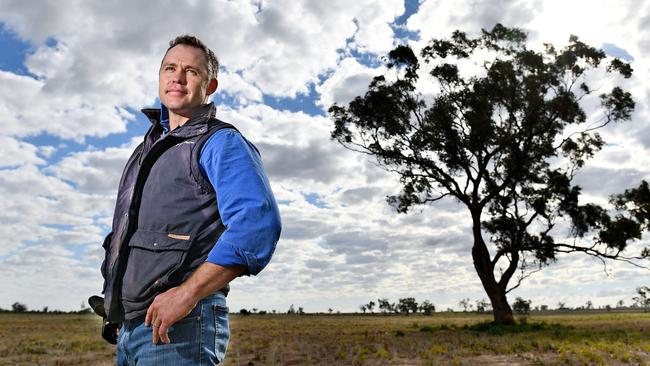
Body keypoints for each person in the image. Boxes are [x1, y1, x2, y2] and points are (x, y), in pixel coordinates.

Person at [98, 34, 281, 365]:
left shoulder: (221, 142)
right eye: (170, 68)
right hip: (131, 328)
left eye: (191, 71)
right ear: (159, 77)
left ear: (210, 86)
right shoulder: (145, 152)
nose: (177, 77)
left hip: (180, 328)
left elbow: (256, 226)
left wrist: (187, 293)